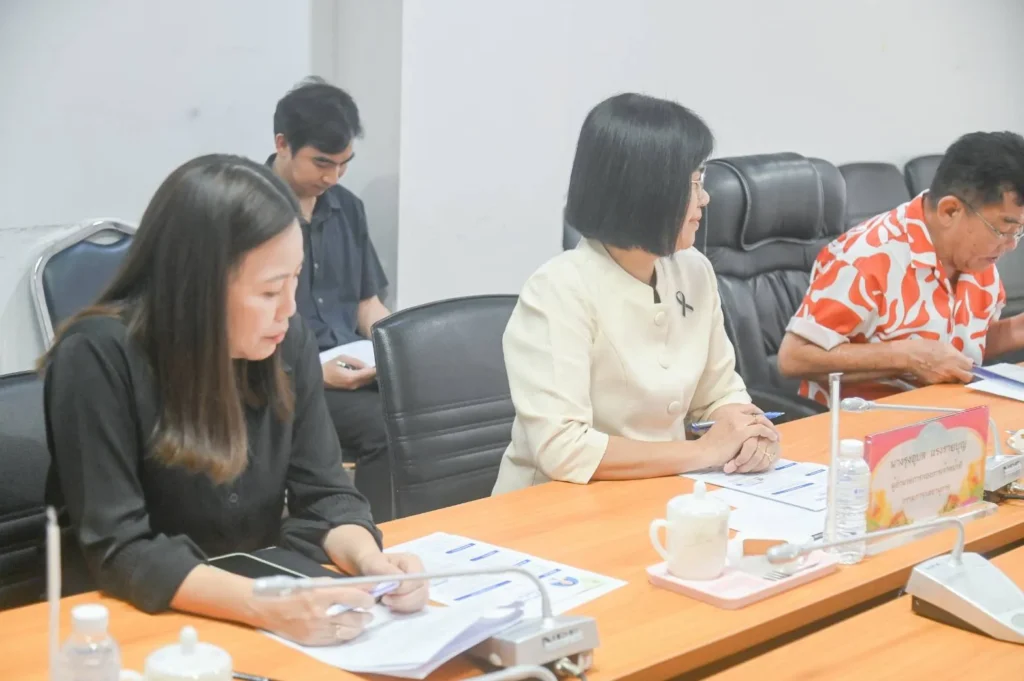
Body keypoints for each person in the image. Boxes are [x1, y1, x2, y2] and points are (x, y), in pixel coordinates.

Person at [41, 155, 427, 646]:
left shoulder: (286, 343)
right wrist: (264, 604)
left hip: (252, 598)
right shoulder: (98, 357)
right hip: (126, 624)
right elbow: (122, 550)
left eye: (295, 279)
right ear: (196, 288)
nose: (289, 309)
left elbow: (325, 493)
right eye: (269, 292)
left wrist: (369, 562)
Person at [491, 93, 781, 495]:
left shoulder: (694, 271)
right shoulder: (558, 289)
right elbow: (563, 448)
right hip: (557, 504)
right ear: (647, 191)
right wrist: (704, 451)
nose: (705, 198)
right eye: (694, 183)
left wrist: (747, 433)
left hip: (659, 492)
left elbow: (718, 392)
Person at [777, 131, 1024, 406]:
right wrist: (905, 357)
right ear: (950, 211)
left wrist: (1018, 329)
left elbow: (964, 346)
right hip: (863, 420)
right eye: (1003, 229)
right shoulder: (866, 256)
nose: (1011, 244)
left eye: (1019, 231)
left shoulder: (977, 253)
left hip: (949, 411)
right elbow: (794, 357)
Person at [268, 78, 395, 521]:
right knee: (387, 427)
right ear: (282, 144)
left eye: (344, 165)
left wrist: (398, 354)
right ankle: (373, 536)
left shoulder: (347, 207)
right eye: (321, 163)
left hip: (349, 369)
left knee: (426, 406)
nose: (332, 177)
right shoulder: (249, 209)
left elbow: (366, 305)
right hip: (284, 378)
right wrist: (313, 372)